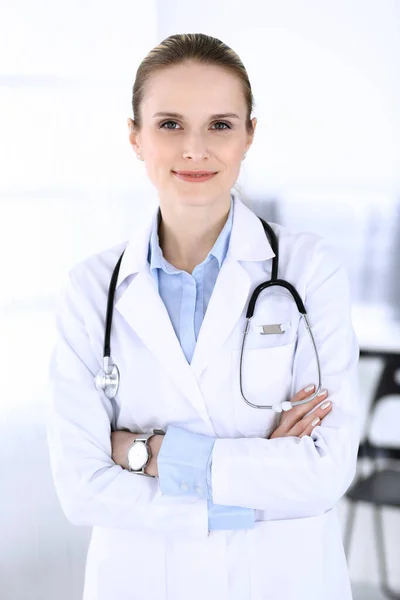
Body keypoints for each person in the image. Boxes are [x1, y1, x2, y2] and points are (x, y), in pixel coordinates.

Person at [47, 32, 361, 600]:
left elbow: (324, 472)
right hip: (140, 582)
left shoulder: (309, 271)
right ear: (135, 137)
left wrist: (146, 454)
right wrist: (252, 482)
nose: (195, 149)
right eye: (169, 124)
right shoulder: (91, 290)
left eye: (220, 124)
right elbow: (81, 487)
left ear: (249, 136)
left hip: (283, 580)